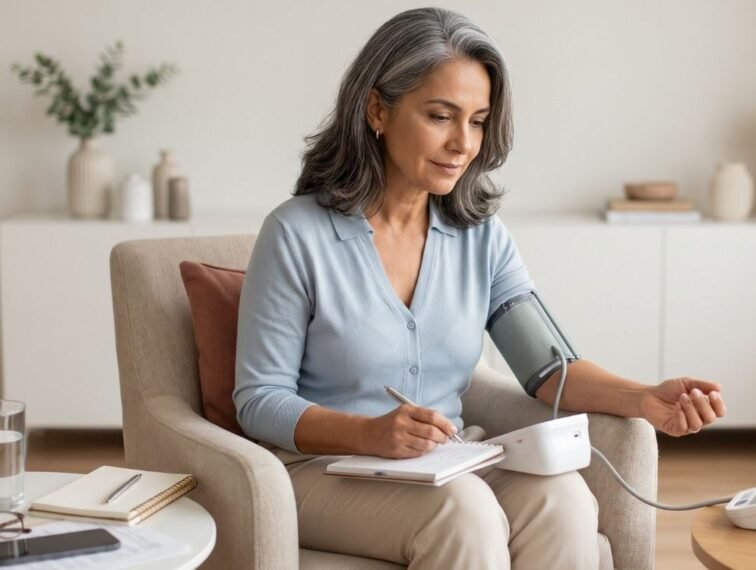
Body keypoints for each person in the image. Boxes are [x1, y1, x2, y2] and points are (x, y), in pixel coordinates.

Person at [234, 7, 727, 569]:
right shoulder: (295, 233)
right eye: (441, 116)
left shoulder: (481, 236)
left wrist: (643, 398)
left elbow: (547, 370)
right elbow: (259, 401)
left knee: (564, 499)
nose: (462, 144)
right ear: (377, 110)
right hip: (319, 470)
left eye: (477, 120)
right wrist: (369, 433)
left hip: (446, 460)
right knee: (461, 512)